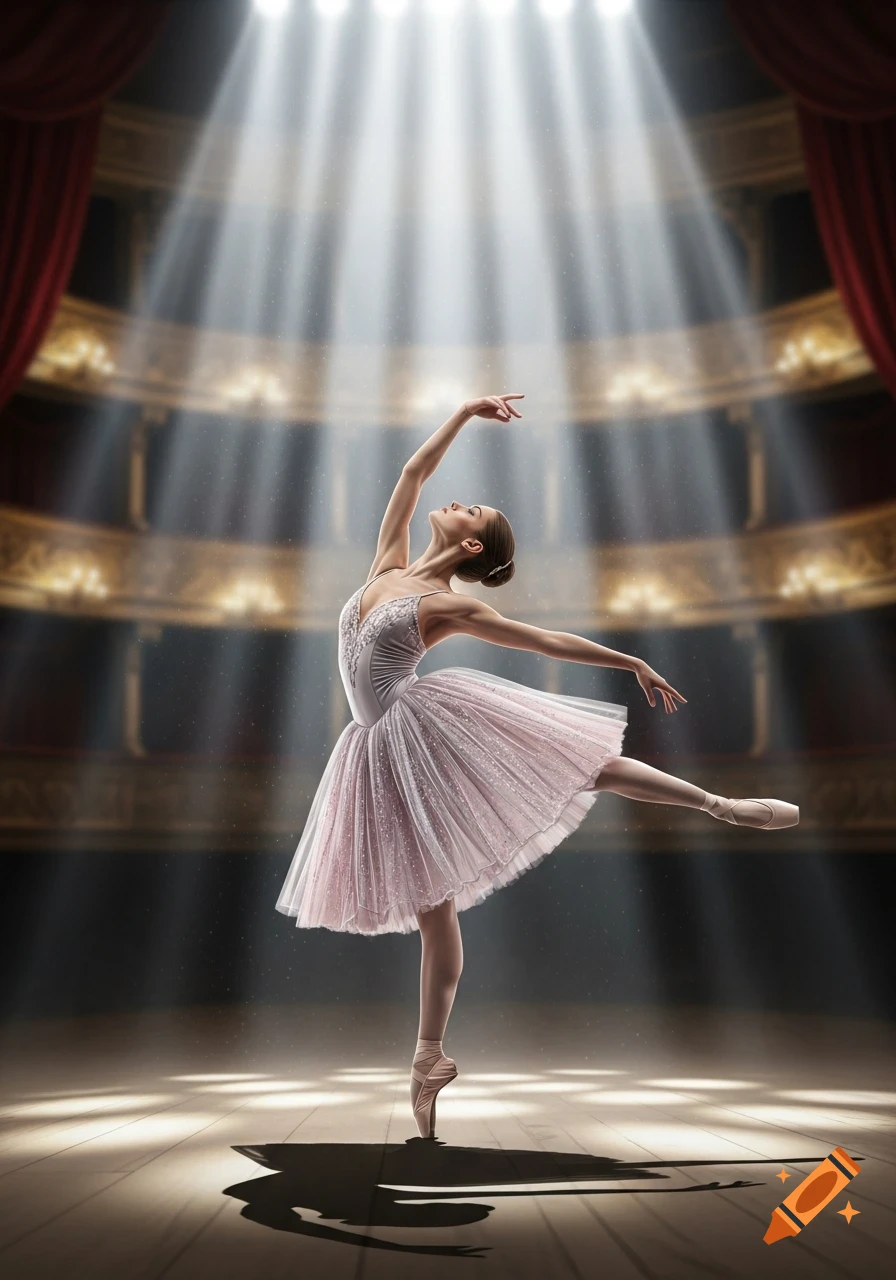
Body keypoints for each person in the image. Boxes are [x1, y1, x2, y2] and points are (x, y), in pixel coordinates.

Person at [276, 393, 799, 1139]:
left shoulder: (449, 605)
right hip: (372, 748)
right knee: (435, 906)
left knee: (577, 761)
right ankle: (428, 1061)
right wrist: (461, 413)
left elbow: (545, 642)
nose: (456, 502)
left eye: (472, 510)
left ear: (472, 549)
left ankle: (722, 807)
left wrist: (630, 659)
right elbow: (413, 469)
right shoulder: (386, 563)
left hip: (418, 726)